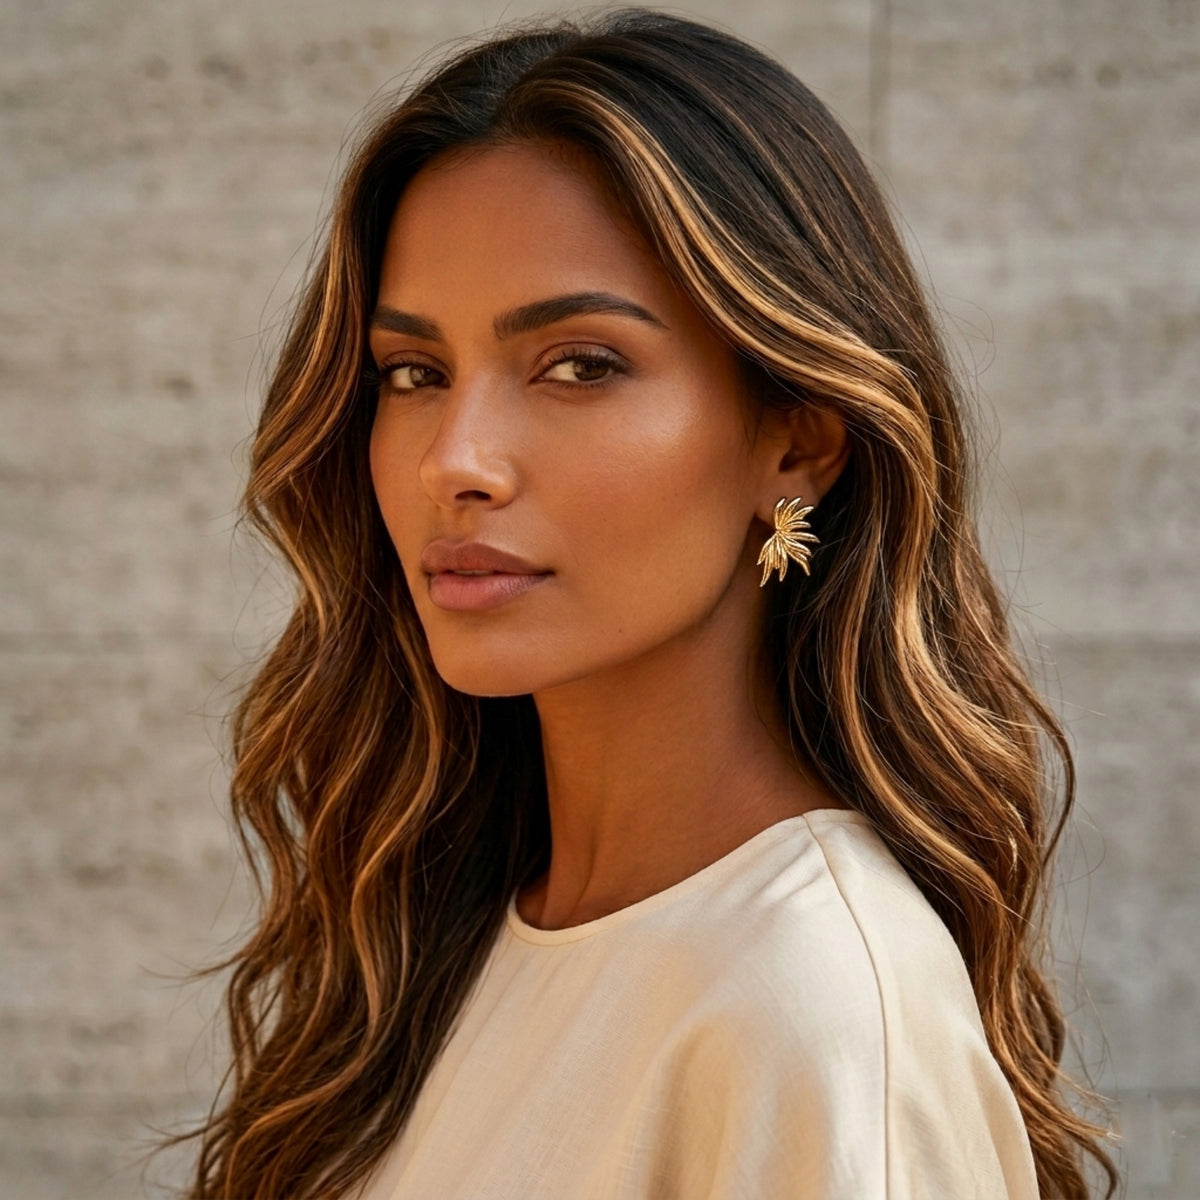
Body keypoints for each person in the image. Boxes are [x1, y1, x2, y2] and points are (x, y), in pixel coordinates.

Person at [179, 9, 1118, 1198]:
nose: (453, 460)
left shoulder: (815, 1013)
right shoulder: (444, 933)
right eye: (413, 373)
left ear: (796, 438)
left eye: (580, 365)